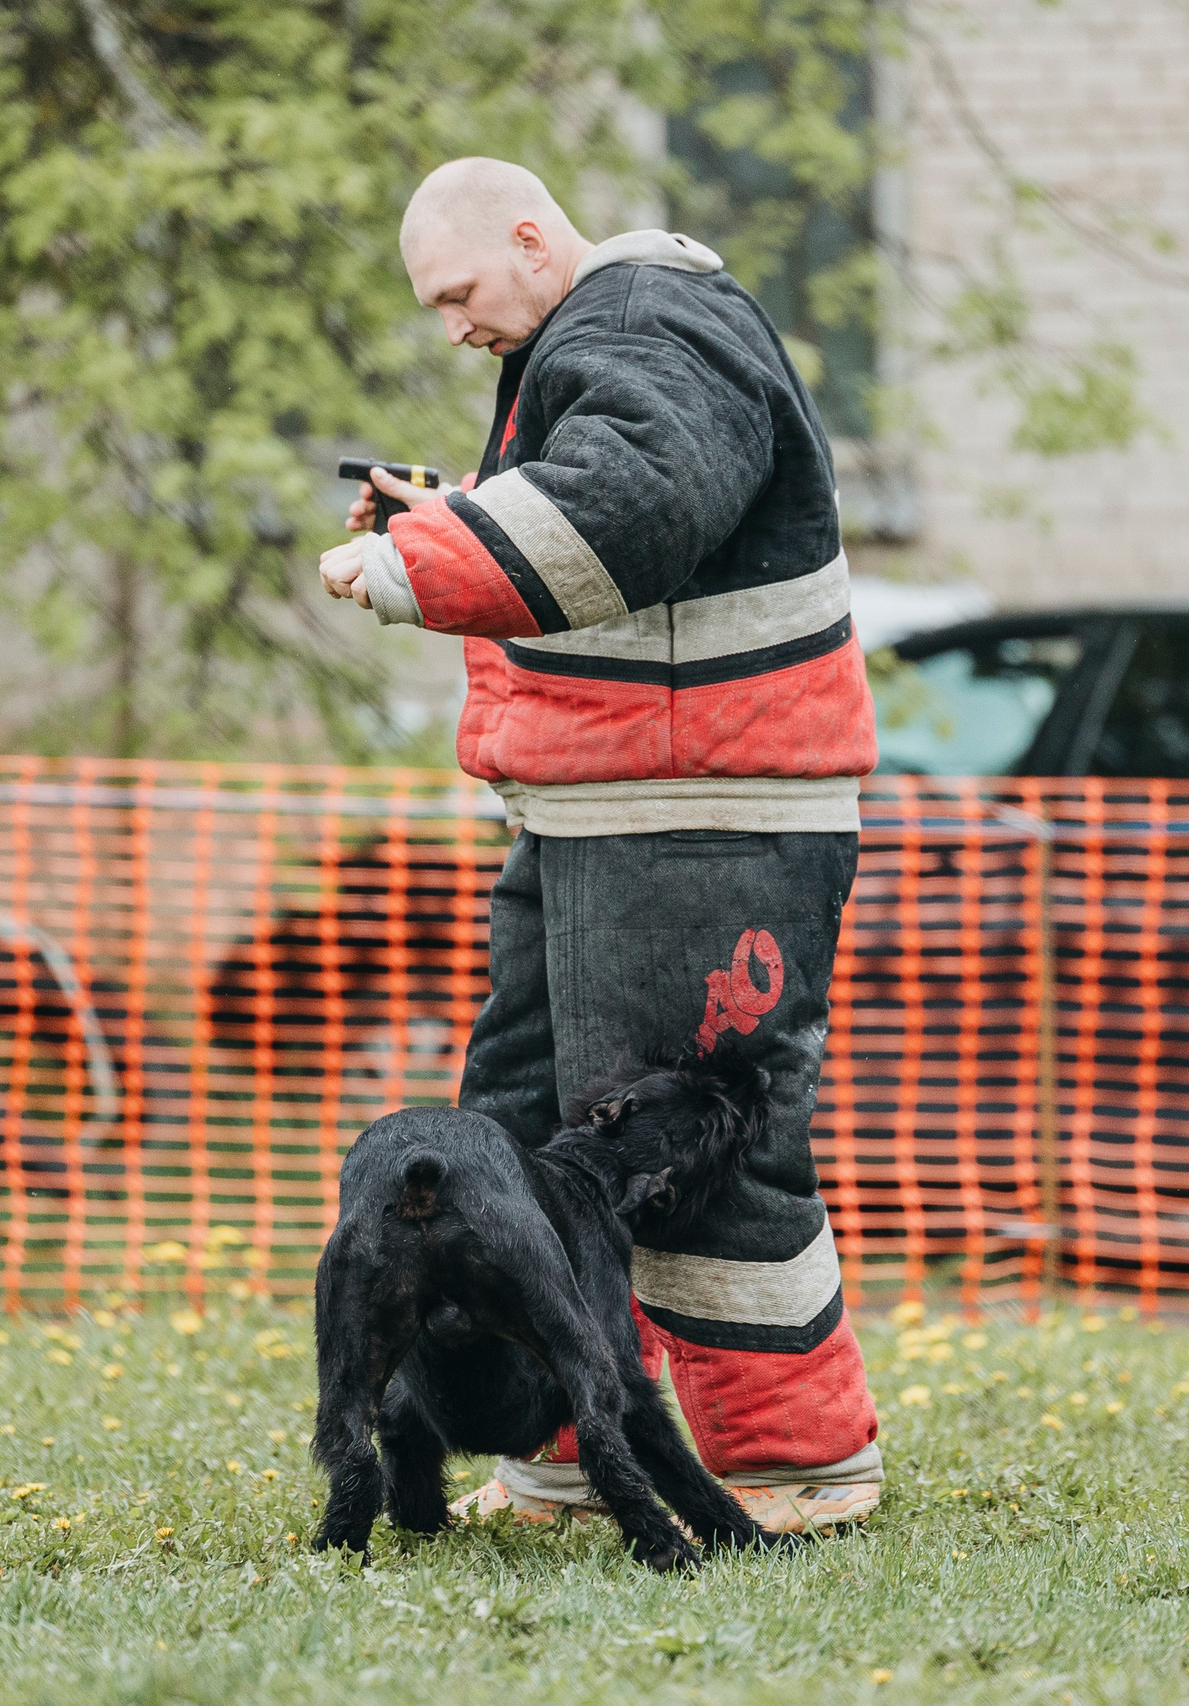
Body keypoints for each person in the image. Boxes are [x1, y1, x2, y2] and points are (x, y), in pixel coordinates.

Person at [316, 157, 882, 1533]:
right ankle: (564, 1447)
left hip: (703, 817)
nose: (452, 324)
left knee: (694, 1145)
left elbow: (636, 501)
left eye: (458, 292)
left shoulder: (647, 321)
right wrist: (451, 506)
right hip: (604, 807)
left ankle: (795, 1463)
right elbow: (620, 527)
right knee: (516, 1151)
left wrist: (414, 565)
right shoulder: (597, 336)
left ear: (531, 238)